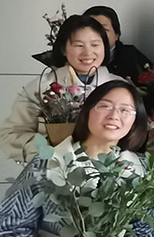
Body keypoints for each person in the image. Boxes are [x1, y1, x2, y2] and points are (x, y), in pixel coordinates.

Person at [0, 81, 153, 237]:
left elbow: (146, 230)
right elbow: (7, 231)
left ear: (136, 121)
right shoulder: (48, 163)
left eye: (126, 110)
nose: (114, 115)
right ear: (87, 112)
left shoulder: (140, 169)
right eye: (104, 106)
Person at [0, 15, 122, 163]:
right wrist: (51, 152)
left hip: (108, 168)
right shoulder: (42, 86)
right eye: (79, 45)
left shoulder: (120, 87)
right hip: (54, 169)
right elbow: (11, 134)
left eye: (95, 45)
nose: (88, 53)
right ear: (64, 49)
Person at [84, 6, 152, 83]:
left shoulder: (131, 54)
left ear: (116, 34)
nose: (97, 34)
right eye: (91, 29)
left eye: (104, 29)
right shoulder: (76, 57)